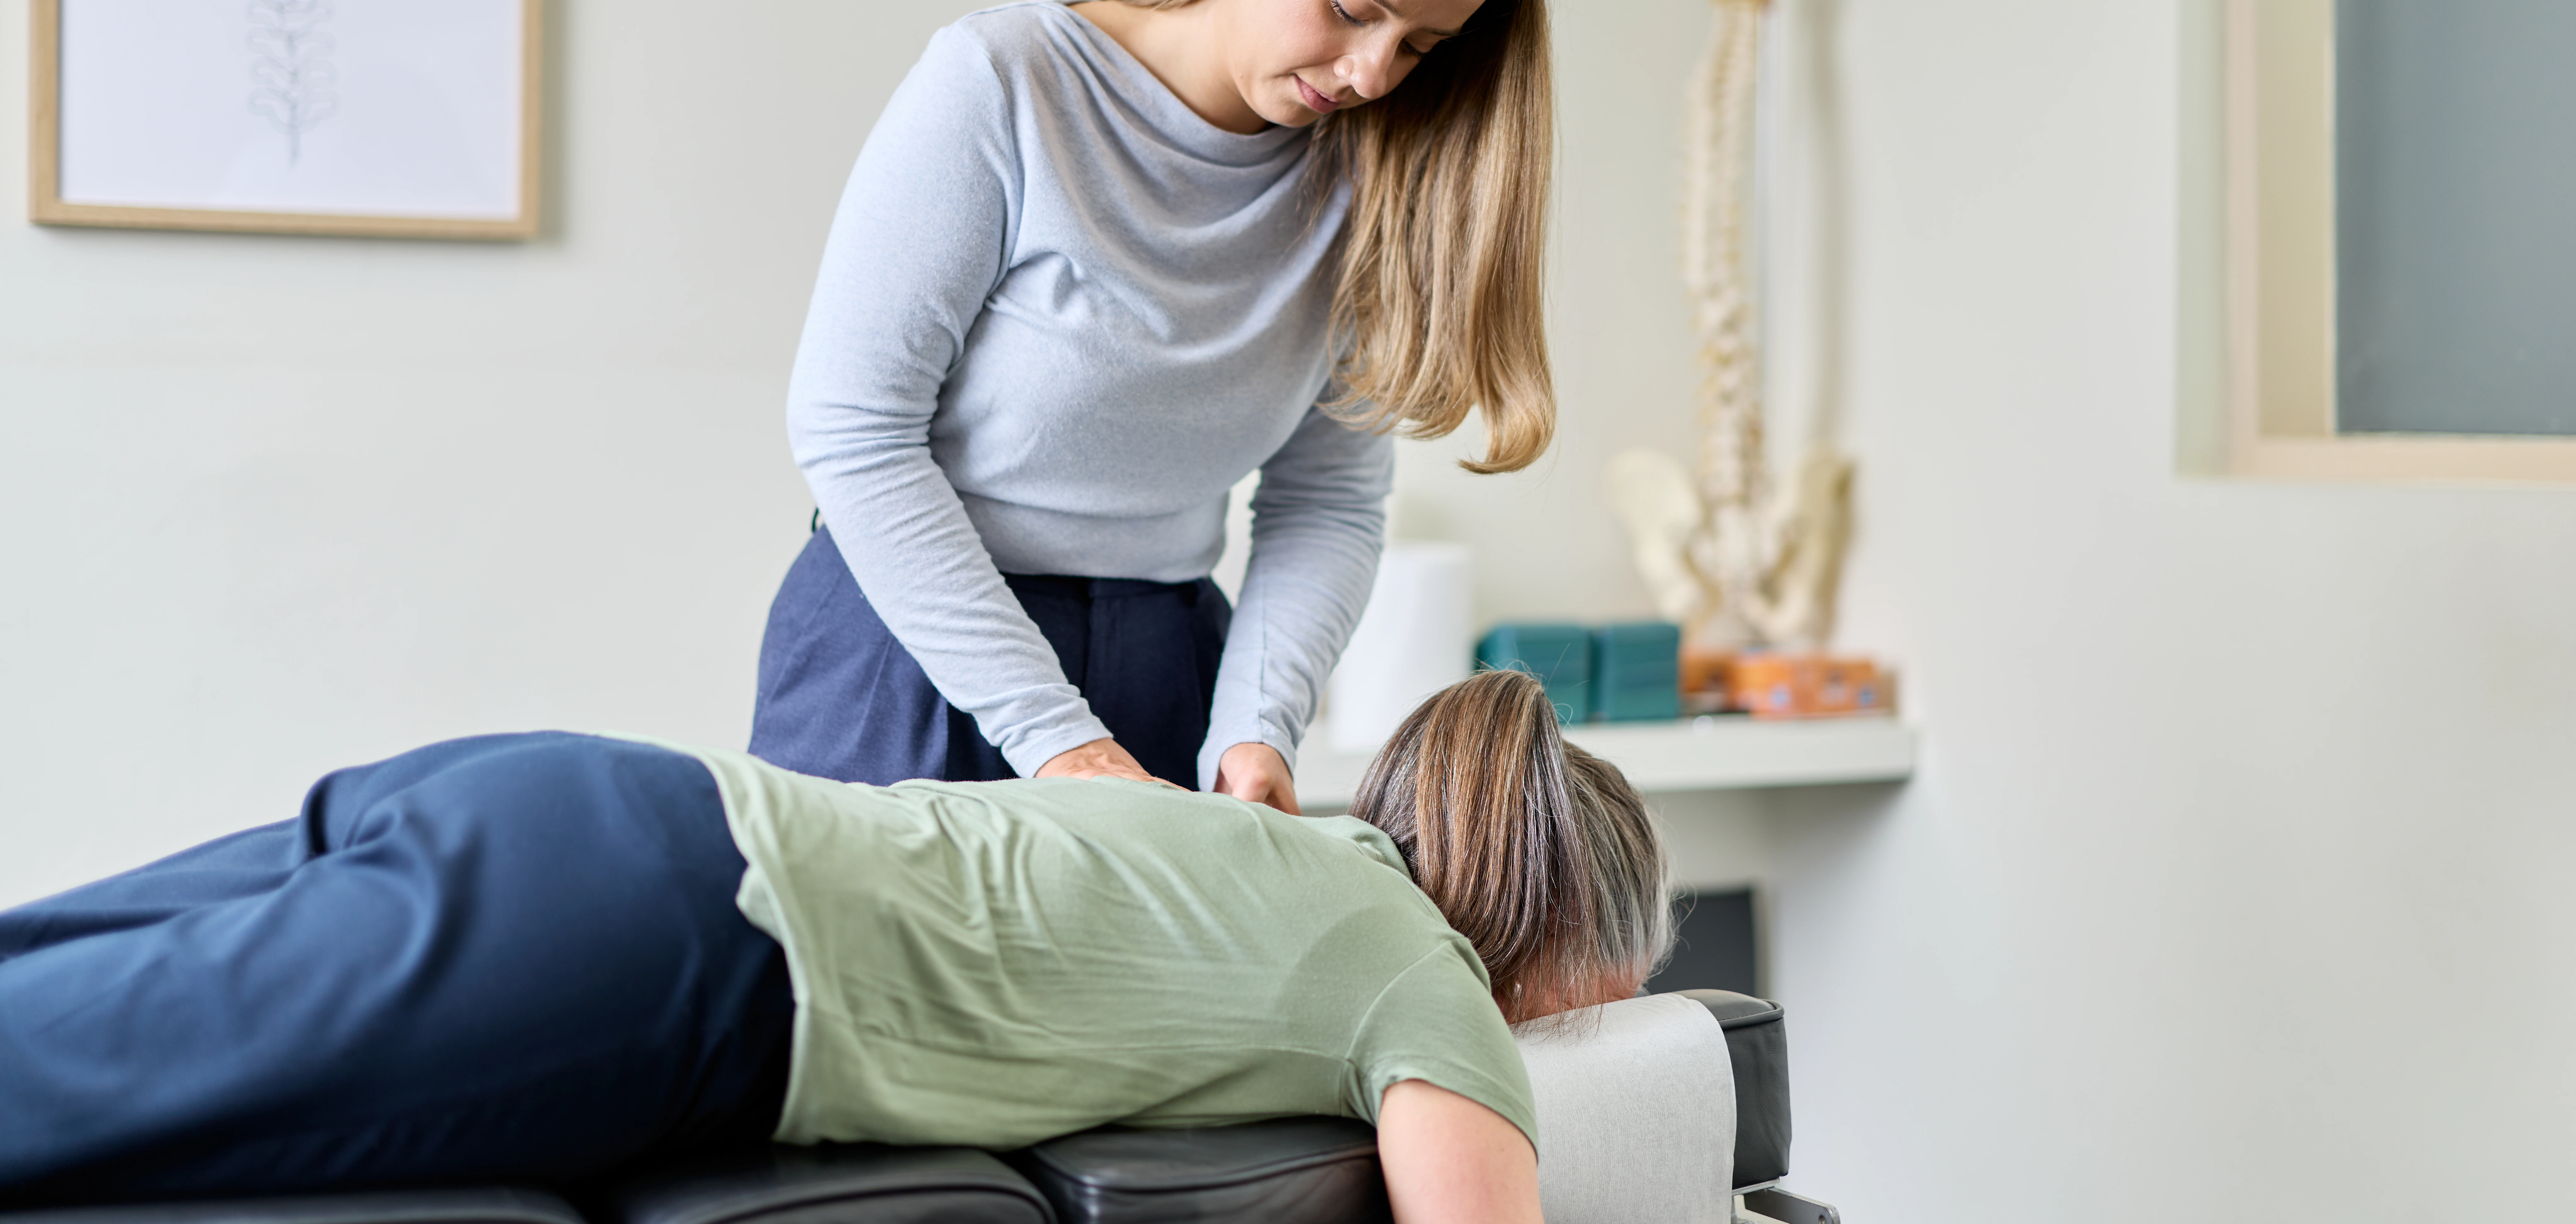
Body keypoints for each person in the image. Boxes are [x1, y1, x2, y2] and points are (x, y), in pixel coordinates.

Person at [0, 671, 1668, 1221]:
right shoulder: (1423, 979)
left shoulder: (1264, 841)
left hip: (583, 799)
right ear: (1565, 932)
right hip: (664, 956)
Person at [752, 0, 1554, 809]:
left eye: (1422, 46)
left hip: (1171, 666)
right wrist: (1054, 737)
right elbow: (853, 431)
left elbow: (1328, 501)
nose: (1372, 74)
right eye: (1355, 9)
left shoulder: (1379, 181)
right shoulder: (1006, 86)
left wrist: (1256, 730)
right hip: (906, 657)